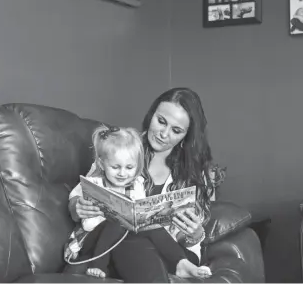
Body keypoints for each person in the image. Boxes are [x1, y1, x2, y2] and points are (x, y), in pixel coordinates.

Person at [68, 87, 225, 282]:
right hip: (117, 242)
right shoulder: (124, 148)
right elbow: (84, 192)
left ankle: (180, 265)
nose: (163, 134)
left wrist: (195, 234)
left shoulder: (194, 172)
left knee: (144, 241)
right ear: (151, 115)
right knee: (132, 240)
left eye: (176, 131)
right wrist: (78, 206)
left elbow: (190, 239)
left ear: (187, 136)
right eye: (161, 121)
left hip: (172, 251)